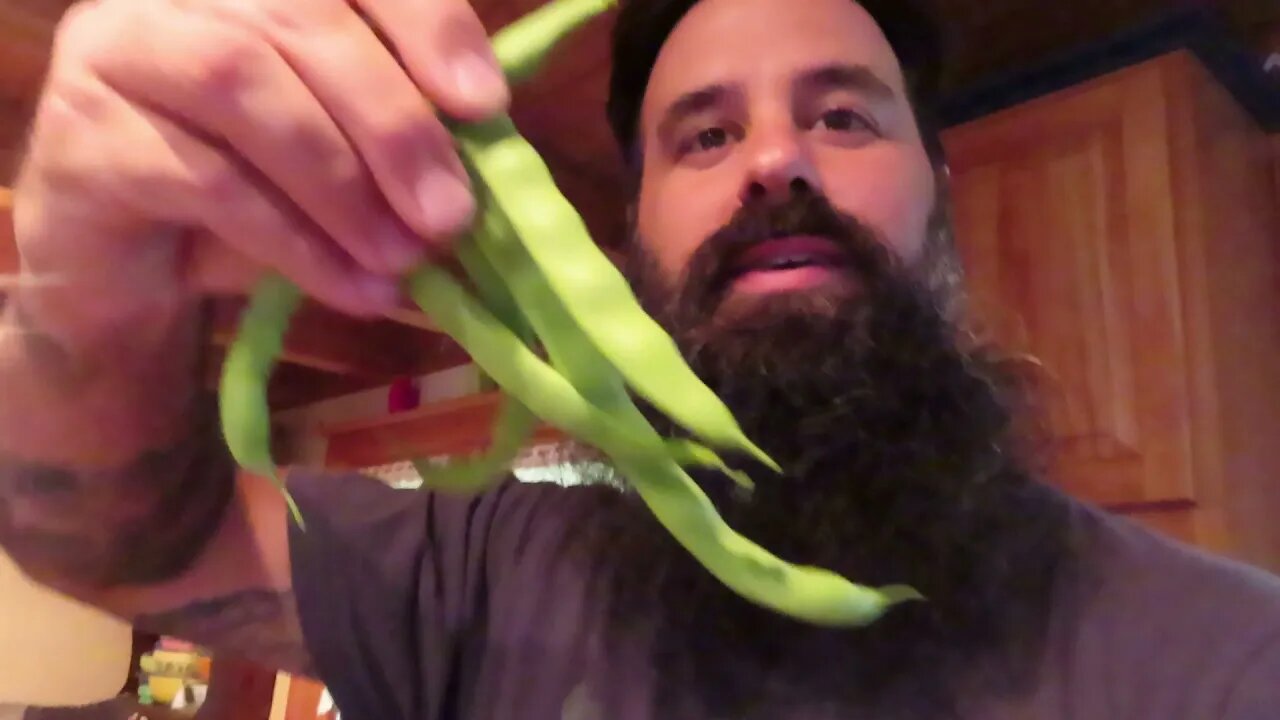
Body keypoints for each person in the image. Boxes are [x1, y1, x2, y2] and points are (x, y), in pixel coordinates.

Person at [1, 0, 1277, 718]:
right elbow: (118, 541)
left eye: (840, 114)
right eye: (704, 136)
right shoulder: (483, 575)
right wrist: (84, 286)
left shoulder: (1220, 658)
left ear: (936, 187)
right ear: (632, 232)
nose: (777, 161)